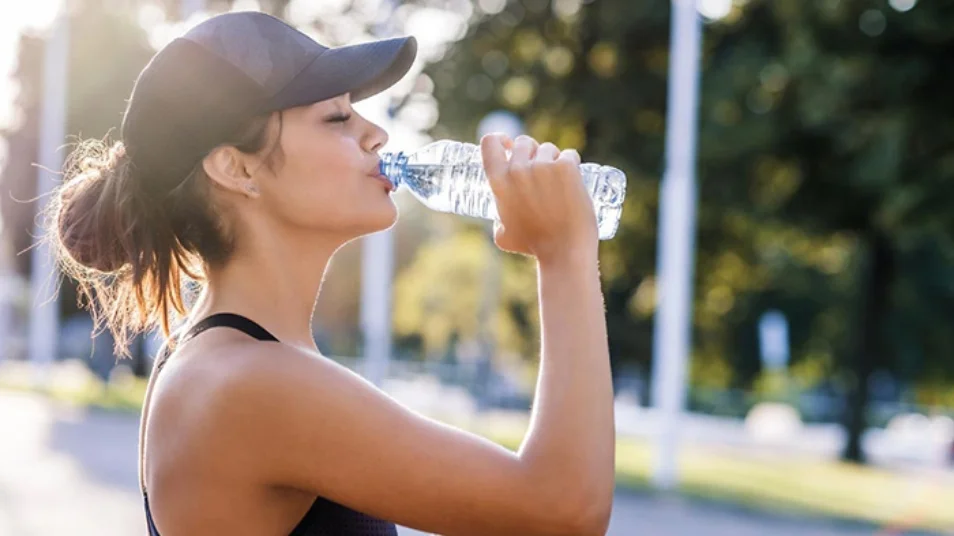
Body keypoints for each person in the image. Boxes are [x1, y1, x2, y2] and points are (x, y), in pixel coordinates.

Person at [48, 11, 615, 536]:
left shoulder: (231, 361)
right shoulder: (249, 384)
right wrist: (564, 255)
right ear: (236, 166)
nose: (377, 135)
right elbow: (562, 511)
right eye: (338, 117)